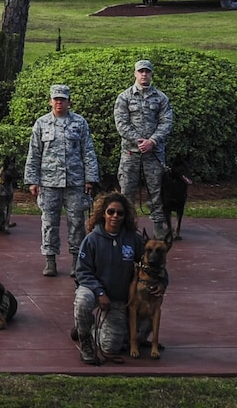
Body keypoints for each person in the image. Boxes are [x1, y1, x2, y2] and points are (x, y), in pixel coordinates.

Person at [25, 83, 98, 278]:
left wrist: (90, 178)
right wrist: (33, 180)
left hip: (75, 182)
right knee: (49, 222)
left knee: (76, 222)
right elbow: (34, 153)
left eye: (63, 99)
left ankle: (76, 260)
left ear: (68, 101)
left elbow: (88, 151)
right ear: (50, 101)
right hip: (49, 183)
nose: (59, 102)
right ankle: (50, 261)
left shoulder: (79, 123)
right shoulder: (41, 123)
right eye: (56, 99)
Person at [71, 192, 142, 365]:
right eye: (111, 212)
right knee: (82, 301)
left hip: (119, 298)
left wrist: (162, 283)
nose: (115, 216)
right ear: (103, 213)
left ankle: (88, 328)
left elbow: (153, 264)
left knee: (111, 347)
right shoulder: (92, 239)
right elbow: (82, 272)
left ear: (126, 216)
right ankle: (85, 340)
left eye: (120, 213)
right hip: (94, 290)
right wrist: (100, 292)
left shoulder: (134, 239)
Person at [112, 59, 175, 233]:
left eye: (147, 72)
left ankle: (158, 229)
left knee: (157, 192)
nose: (144, 74)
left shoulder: (161, 98)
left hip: (154, 154)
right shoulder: (124, 97)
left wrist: (152, 141)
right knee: (127, 192)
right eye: (141, 72)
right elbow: (121, 124)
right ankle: (126, 228)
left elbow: (166, 122)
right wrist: (139, 141)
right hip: (131, 153)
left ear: (151, 74)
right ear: (135, 74)